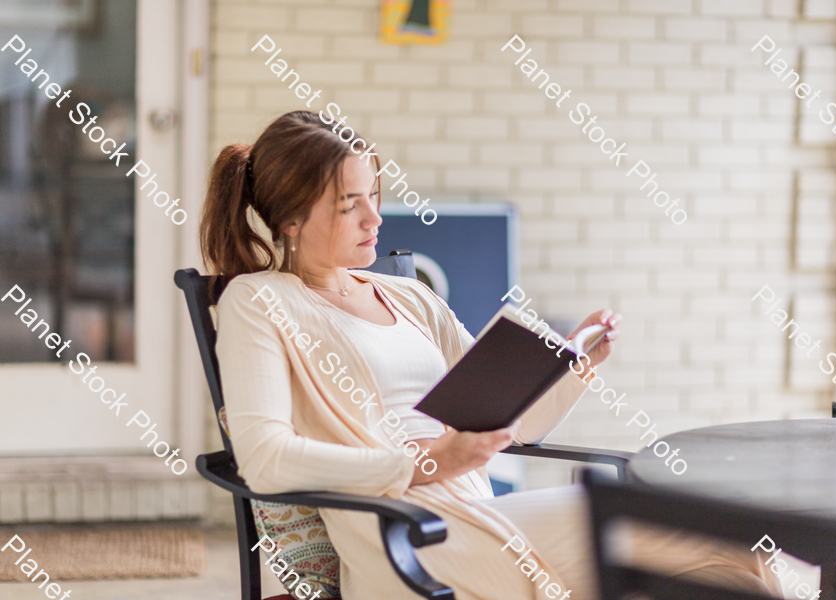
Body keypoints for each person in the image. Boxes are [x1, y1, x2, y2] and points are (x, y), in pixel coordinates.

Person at [200, 110, 782, 600]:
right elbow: (266, 460)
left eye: (374, 195)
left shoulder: (410, 295)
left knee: (738, 552)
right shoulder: (259, 301)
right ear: (291, 220)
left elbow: (514, 426)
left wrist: (574, 366)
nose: (375, 218)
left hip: (483, 513)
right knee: (705, 538)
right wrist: (426, 463)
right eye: (349, 205)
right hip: (403, 536)